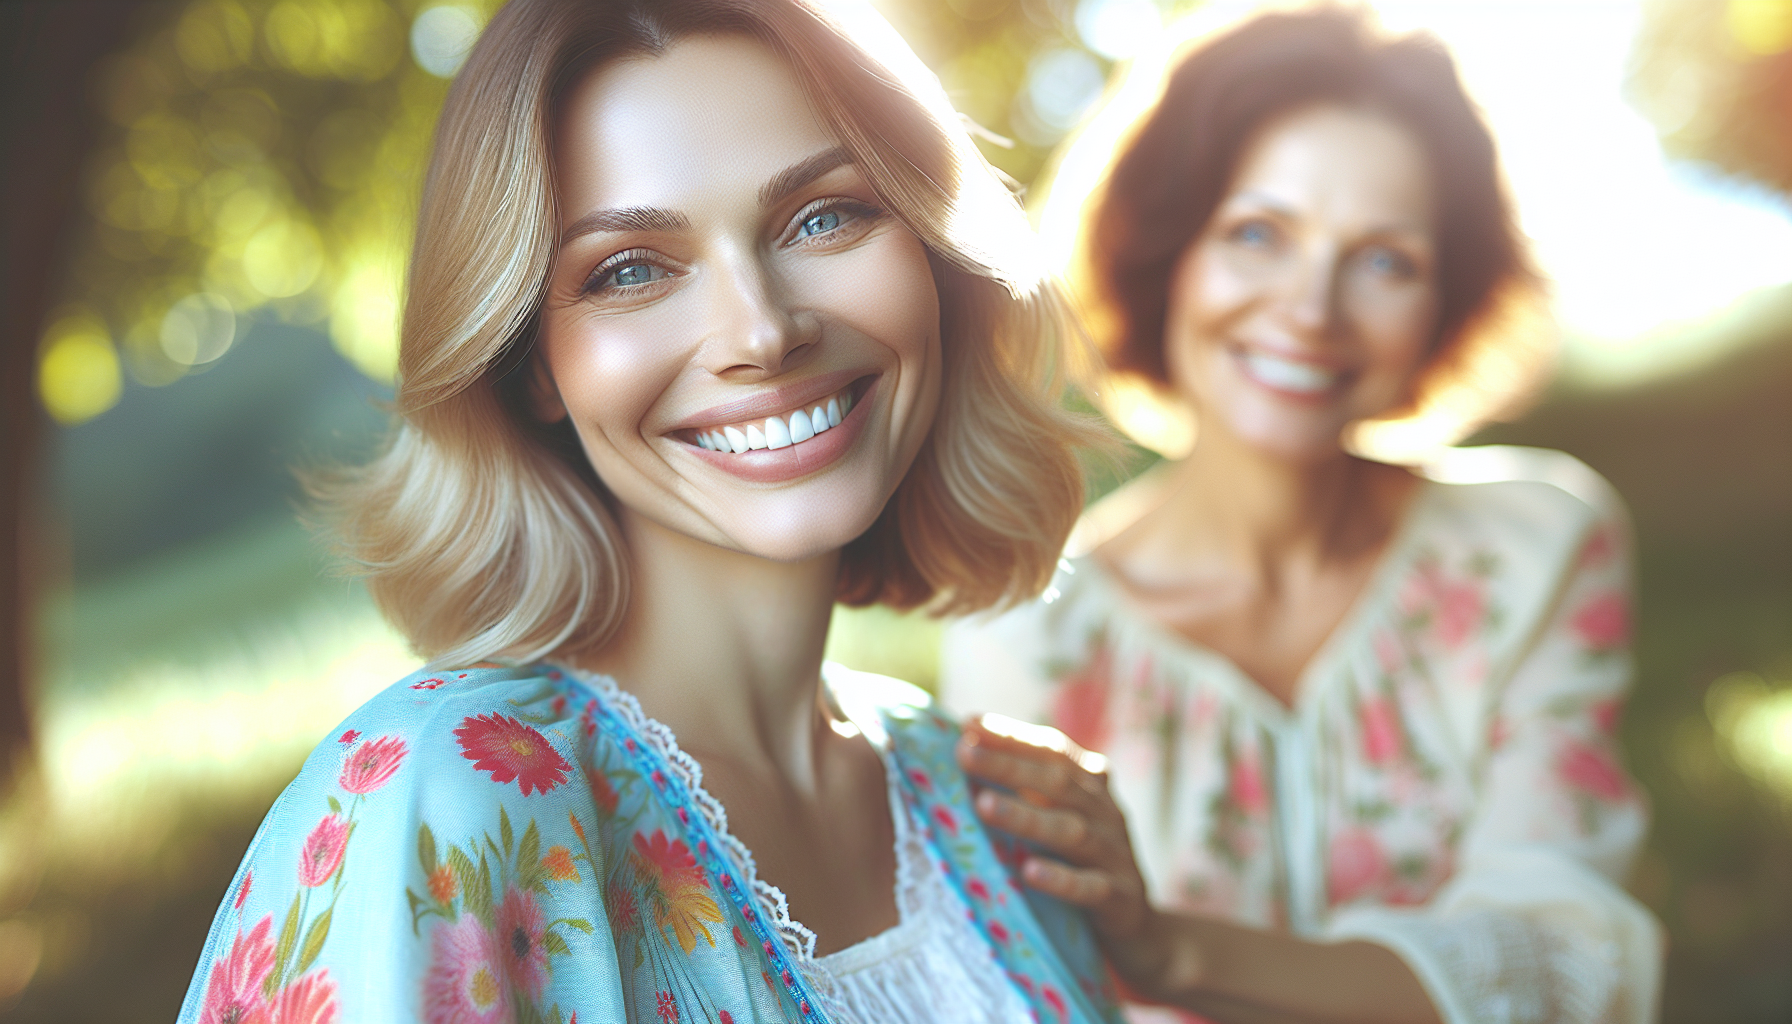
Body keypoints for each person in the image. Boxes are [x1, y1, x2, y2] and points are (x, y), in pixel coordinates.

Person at [174, 2, 1121, 1021]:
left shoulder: (990, 806)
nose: (759, 331)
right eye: (630, 270)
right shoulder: (444, 799)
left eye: (824, 216)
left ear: (933, 255)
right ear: (532, 362)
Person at [940, 8, 1661, 1024]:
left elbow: (1560, 958)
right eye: (1256, 233)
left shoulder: (1535, 548)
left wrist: (1173, 950)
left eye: (1383, 260)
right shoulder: (1031, 633)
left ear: (1442, 301)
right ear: (1165, 252)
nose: (1310, 308)